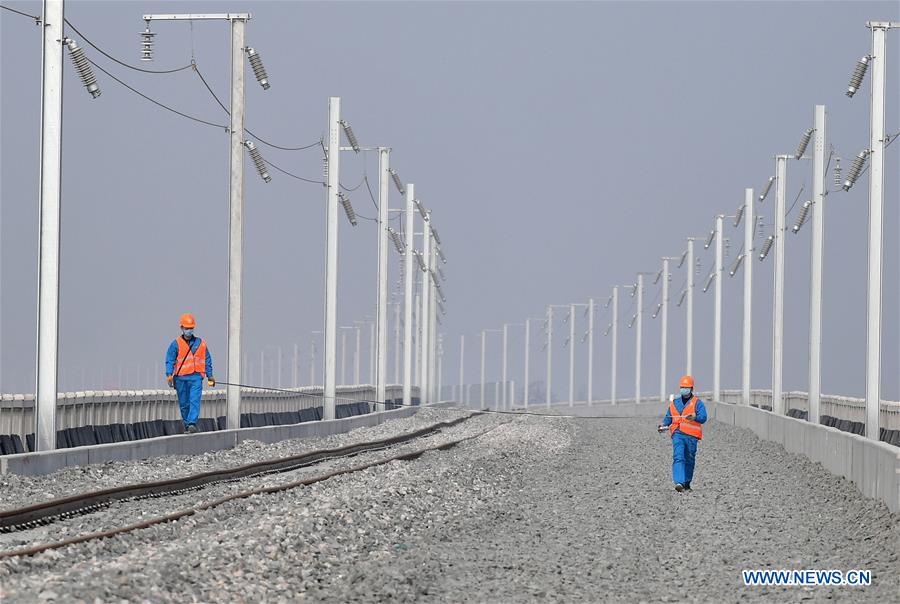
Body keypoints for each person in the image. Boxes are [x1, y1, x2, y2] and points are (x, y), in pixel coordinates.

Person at [165, 313, 214, 434]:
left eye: (191, 328)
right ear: (181, 328)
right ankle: (187, 424)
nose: (189, 330)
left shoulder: (201, 343)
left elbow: (207, 360)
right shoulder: (175, 344)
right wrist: (169, 374)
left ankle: (192, 423)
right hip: (181, 378)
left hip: (196, 377)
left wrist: (210, 375)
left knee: (194, 400)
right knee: (184, 403)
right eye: (187, 328)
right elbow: (170, 360)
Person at [659, 375, 707, 492]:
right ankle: (679, 482)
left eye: (686, 387)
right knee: (678, 457)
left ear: (691, 388)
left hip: (691, 437)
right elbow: (668, 418)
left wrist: (695, 417)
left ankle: (686, 483)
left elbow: (703, 417)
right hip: (678, 434)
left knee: (689, 459)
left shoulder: (697, 403)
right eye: (682, 387)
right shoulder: (674, 403)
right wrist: (662, 426)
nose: (683, 389)